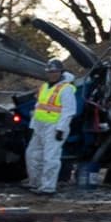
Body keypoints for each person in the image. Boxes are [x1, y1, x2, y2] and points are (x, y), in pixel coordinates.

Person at [27, 67, 74, 197]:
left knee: (50, 158)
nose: (52, 74)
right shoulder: (44, 87)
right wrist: (34, 126)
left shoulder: (66, 89)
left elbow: (68, 111)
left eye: (55, 72)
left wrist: (61, 129)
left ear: (61, 72)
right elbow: (38, 107)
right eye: (50, 72)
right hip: (40, 126)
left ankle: (48, 187)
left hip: (54, 126)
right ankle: (35, 183)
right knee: (32, 155)